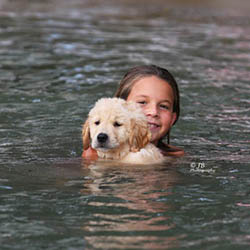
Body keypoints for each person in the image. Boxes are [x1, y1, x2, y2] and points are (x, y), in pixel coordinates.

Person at [82, 65, 184, 159]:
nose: (153, 112)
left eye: (163, 106)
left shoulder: (178, 158)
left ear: (172, 118)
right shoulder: (91, 157)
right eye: (142, 102)